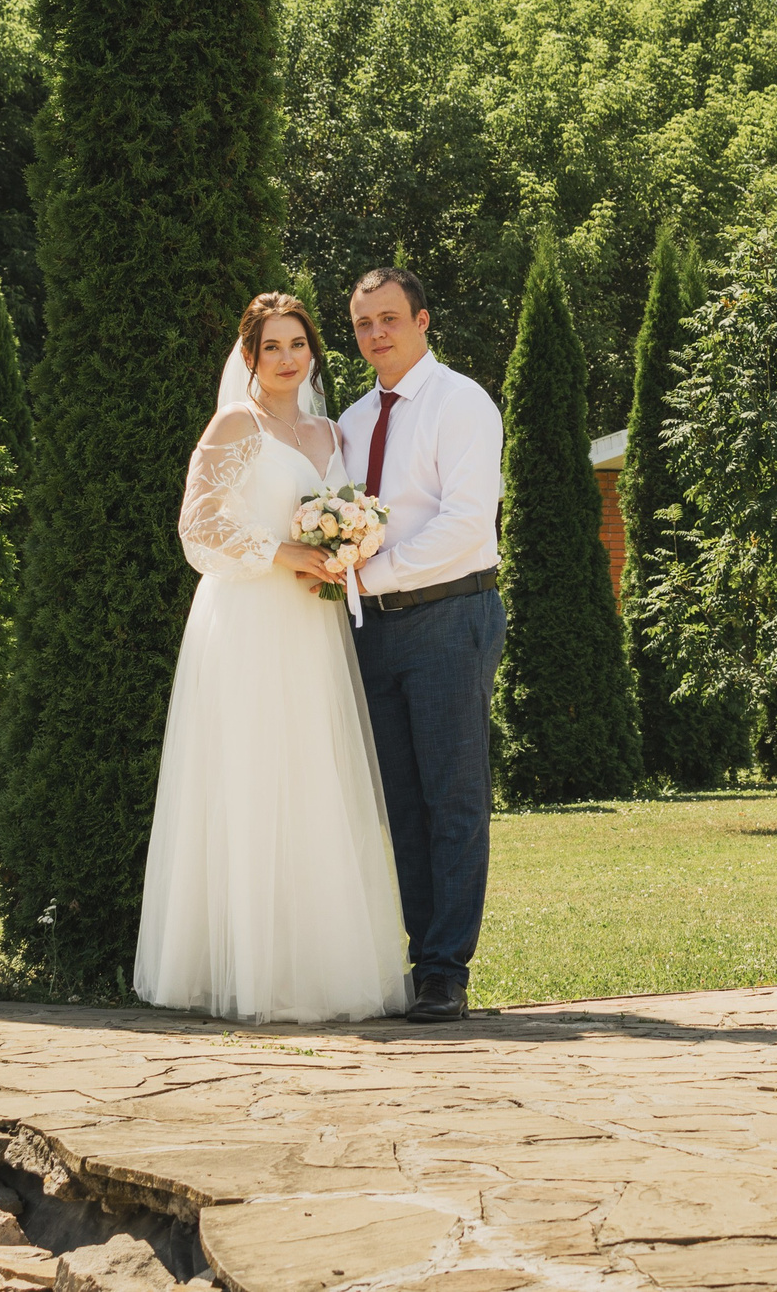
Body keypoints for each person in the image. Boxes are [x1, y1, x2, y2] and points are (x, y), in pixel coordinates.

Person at [130, 293, 410, 1023]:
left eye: (298, 343)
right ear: (248, 356)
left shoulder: (328, 431)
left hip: (311, 626)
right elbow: (196, 529)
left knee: (311, 777)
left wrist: (346, 545)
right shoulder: (235, 425)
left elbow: (348, 509)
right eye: (272, 346)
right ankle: (249, 971)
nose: (287, 358)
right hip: (250, 617)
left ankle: (311, 969)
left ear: (313, 351)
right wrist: (283, 551)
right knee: (254, 778)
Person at [336, 267, 505, 1024]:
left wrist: (377, 576)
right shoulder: (350, 420)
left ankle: (445, 970)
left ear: (423, 320)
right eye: (363, 322)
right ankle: (416, 956)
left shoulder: (461, 403)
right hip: (373, 629)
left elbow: (468, 524)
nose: (377, 333)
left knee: (453, 798)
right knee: (400, 803)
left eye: (390, 318)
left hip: (449, 618)